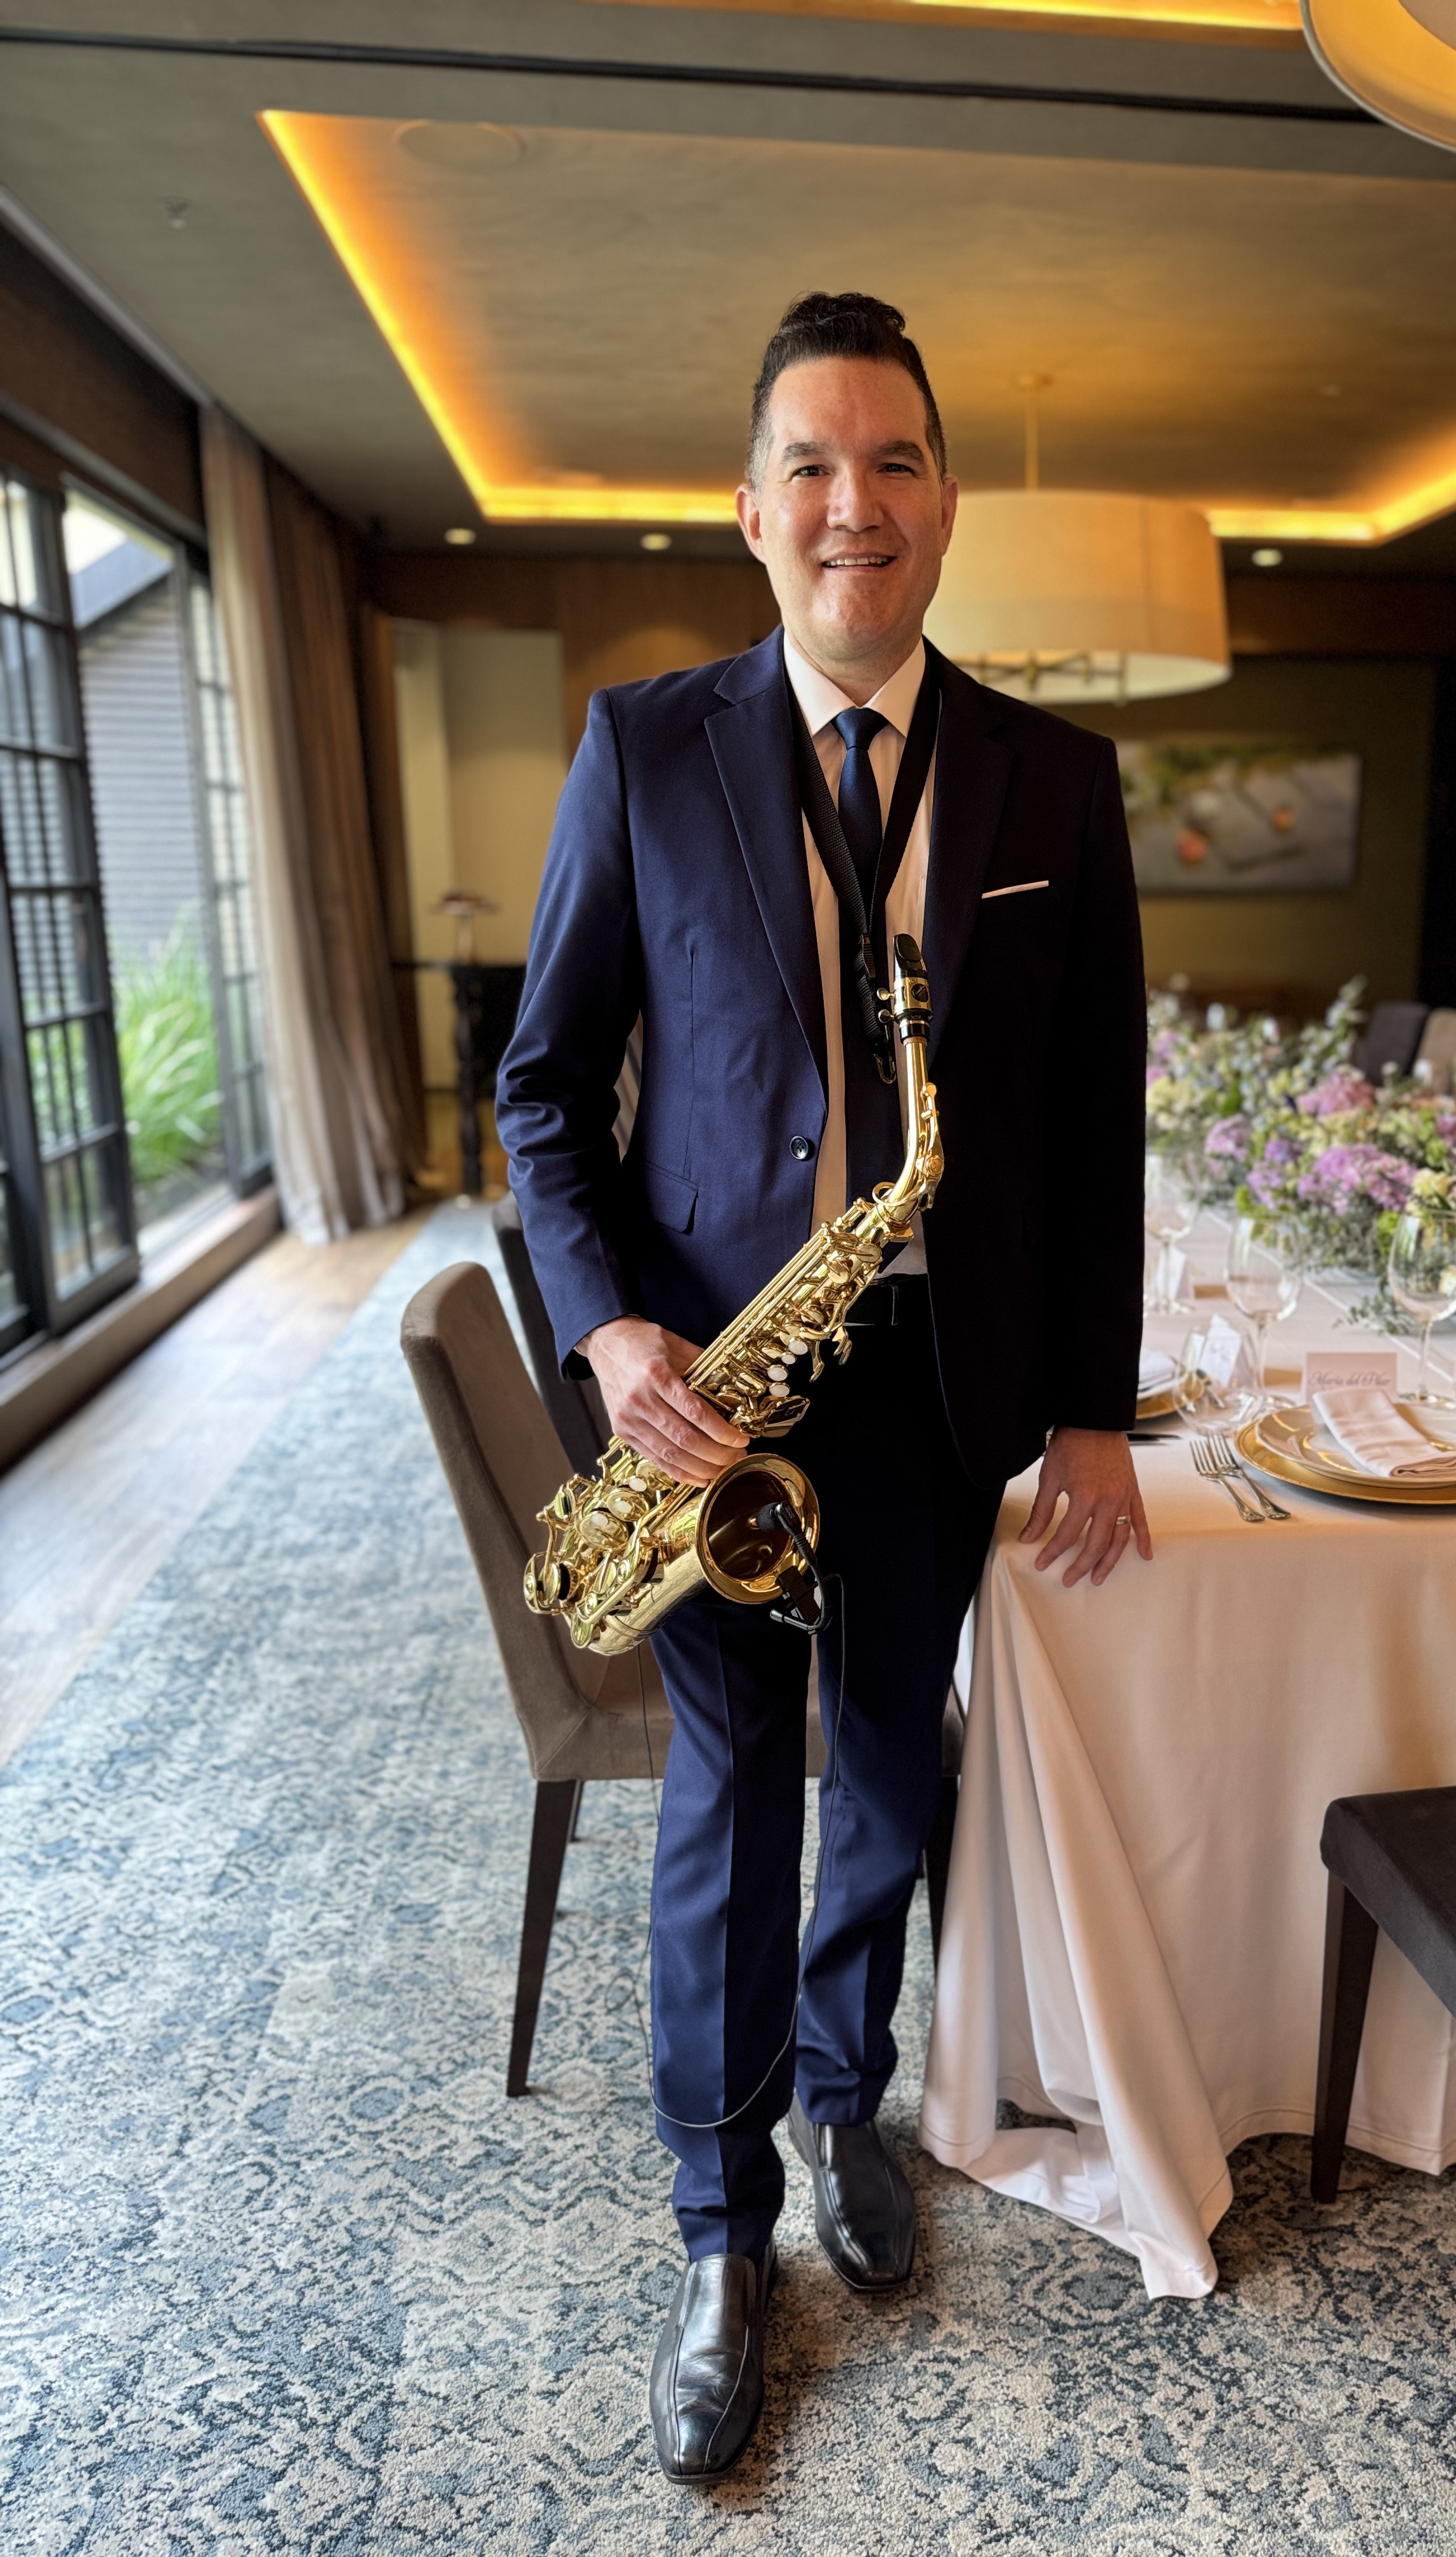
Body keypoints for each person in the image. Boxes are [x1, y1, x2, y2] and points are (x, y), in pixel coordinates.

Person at [496, 291, 1149, 2483]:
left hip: (942, 1375)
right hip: (711, 1390)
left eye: (893, 461)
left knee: (886, 1763)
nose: (852, 503)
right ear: (751, 508)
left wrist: (1088, 1403)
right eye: (811, 464)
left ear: (945, 501)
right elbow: (543, 1093)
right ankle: (719, 2228)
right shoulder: (642, 747)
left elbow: (1094, 1120)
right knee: (730, 1796)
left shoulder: (1058, 778)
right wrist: (610, 1331)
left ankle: (849, 2093)